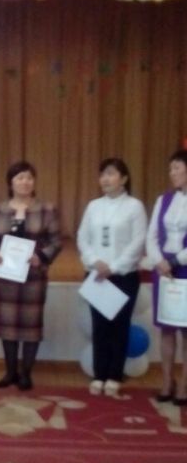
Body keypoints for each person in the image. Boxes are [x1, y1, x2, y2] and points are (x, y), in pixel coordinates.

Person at [0, 160, 61, 391]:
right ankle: (10, 372)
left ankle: (26, 374)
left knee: (31, 327)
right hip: (5, 277)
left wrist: (42, 256)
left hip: (33, 277)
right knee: (6, 327)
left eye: (29, 177)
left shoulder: (47, 209)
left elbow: (56, 241)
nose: (25, 182)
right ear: (11, 183)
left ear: (34, 181)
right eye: (19, 178)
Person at [77, 157, 147, 396]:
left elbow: (138, 242)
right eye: (103, 174)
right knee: (99, 326)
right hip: (97, 275)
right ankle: (99, 374)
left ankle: (115, 375)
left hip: (123, 276)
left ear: (124, 178)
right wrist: (94, 262)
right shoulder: (93, 206)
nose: (105, 179)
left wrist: (114, 267)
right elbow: (82, 237)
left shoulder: (134, 206)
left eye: (111, 174)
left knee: (119, 326)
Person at [146, 148, 187, 405]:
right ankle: (166, 381)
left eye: (177, 168)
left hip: (184, 268)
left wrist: (175, 261)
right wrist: (159, 261)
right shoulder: (164, 200)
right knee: (167, 329)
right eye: (170, 168)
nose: (172, 173)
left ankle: (184, 384)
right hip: (163, 269)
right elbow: (151, 236)